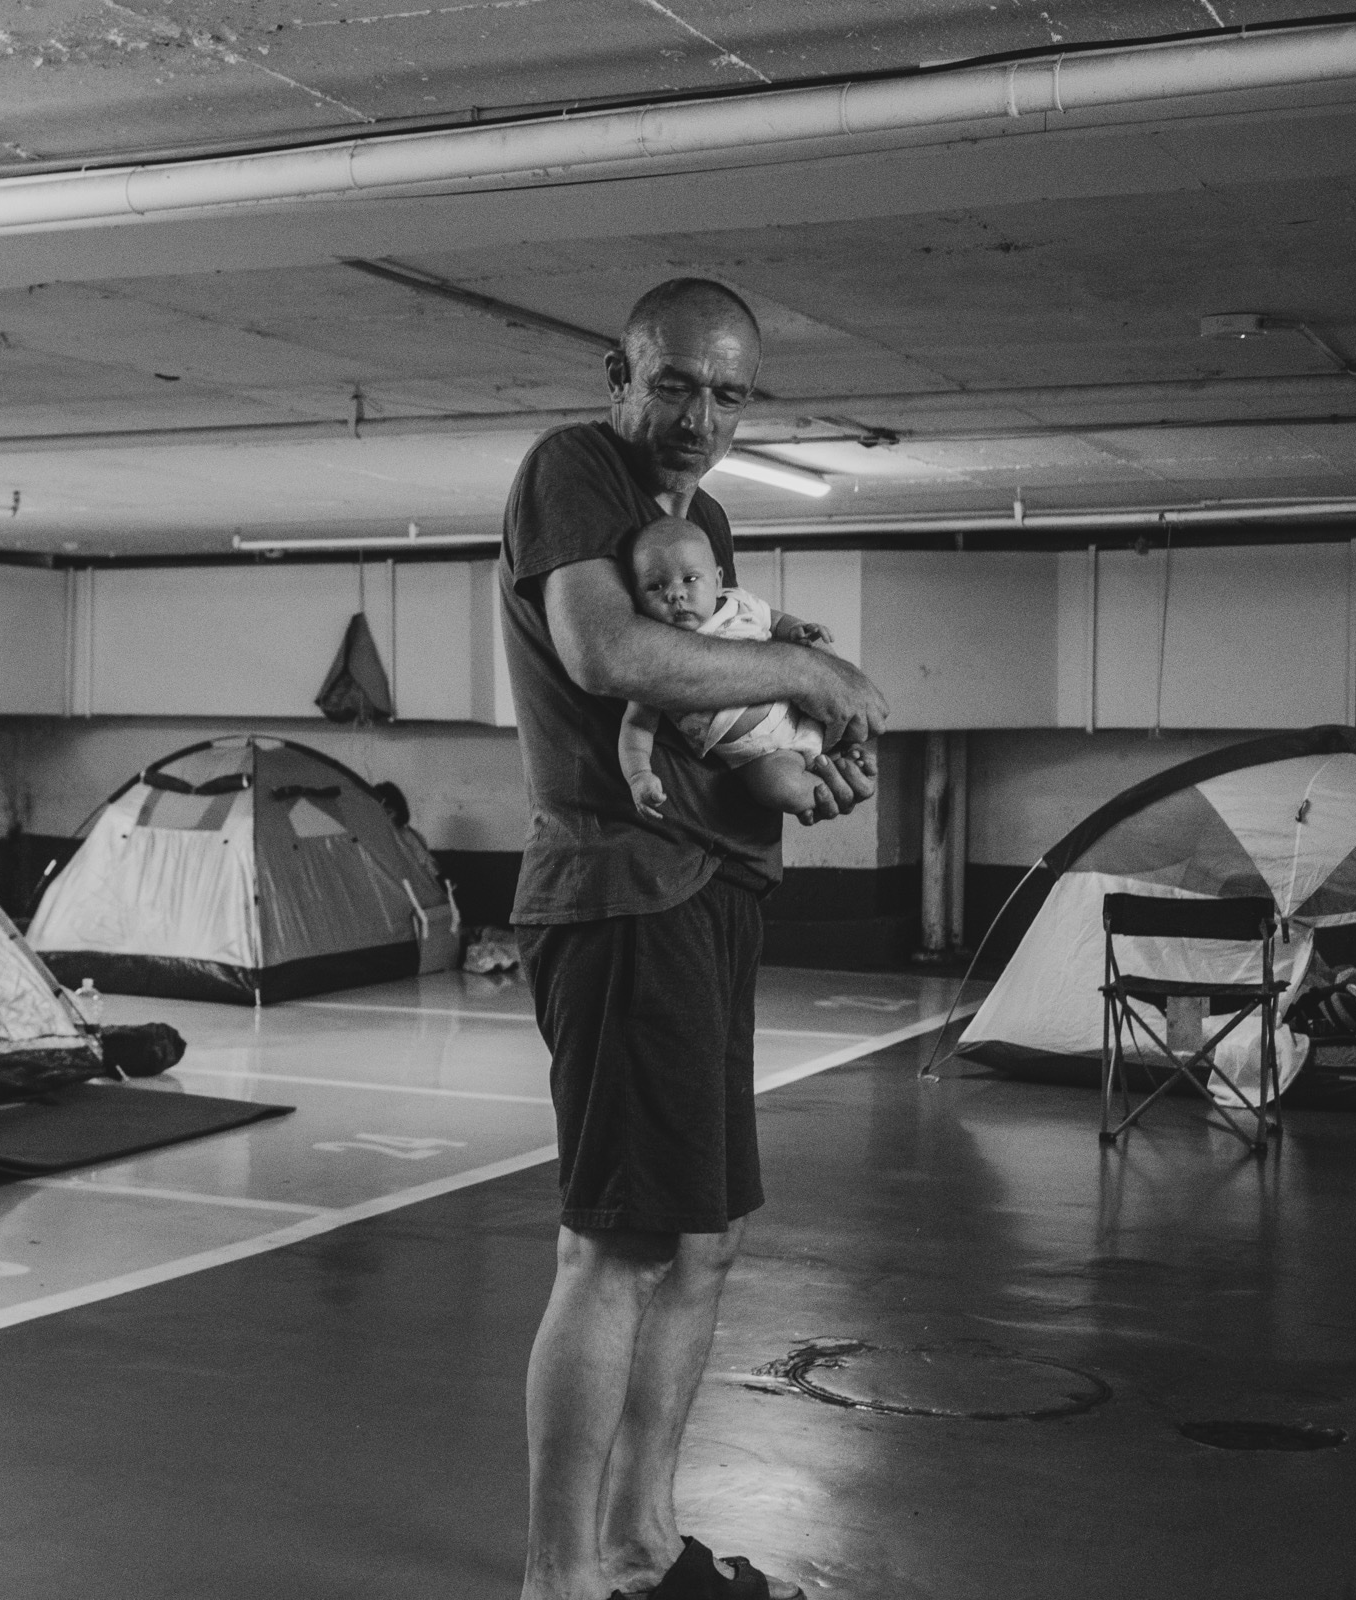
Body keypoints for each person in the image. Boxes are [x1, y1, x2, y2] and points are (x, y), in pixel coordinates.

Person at [497, 278, 888, 1600]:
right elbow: (609, 657)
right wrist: (808, 676)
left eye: (729, 393)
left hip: (711, 887)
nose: (701, 417)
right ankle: (563, 1579)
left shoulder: (700, 519)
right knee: (615, 1244)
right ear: (622, 374)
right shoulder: (574, 473)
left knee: (700, 1237)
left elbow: (690, 705)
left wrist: (776, 772)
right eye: (676, 383)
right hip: (621, 896)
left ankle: (643, 1546)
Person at [614, 516, 873, 822]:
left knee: (854, 718)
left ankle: (838, 756)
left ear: (719, 580)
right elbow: (637, 726)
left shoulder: (740, 604)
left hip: (800, 711)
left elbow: (772, 619)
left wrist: (796, 629)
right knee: (783, 789)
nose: (675, 594)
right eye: (655, 587)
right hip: (761, 754)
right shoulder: (657, 659)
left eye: (690, 579)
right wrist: (639, 775)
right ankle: (827, 772)